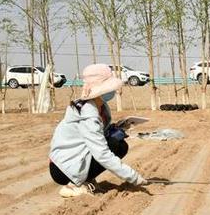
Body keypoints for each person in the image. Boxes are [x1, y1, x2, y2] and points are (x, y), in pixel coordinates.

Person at [49, 64, 147, 197]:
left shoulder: (100, 106)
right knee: (113, 145)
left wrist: (117, 127)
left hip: (78, 157)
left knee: (120, 145)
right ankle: (73, 185)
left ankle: (86, 179)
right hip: (63, 167)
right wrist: (133, 176)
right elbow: (101, 153)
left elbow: (98, 134)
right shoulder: (87, 113)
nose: (113, 91)